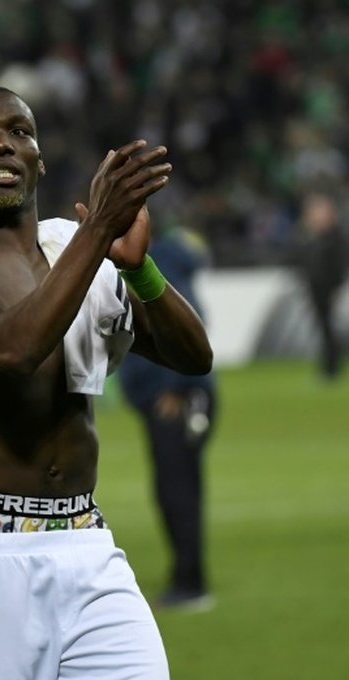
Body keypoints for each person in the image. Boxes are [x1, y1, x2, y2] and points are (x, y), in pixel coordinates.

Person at [0, 86, 213, 680]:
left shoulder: (76, 252)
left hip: (85, 542)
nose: (0, 143)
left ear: (38, 159)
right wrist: (97, 232)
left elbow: (192, 355)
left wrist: (135, 266)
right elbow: (15, 348)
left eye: (20, 131)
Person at [117, 226, 218, 611]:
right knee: (174, 489)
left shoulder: (156, 261)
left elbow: (189, 320)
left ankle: (191, 583)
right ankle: (186, 576)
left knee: (177, 492)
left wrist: (177, 387)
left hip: (178, 400)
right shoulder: (154, 257)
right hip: (169, 397)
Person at [291, 189, 347, 380]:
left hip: (327, 288)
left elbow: (338, 265)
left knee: (329, 328)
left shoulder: (335, 236)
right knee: (323, 328)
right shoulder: (311, 236)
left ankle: (332, 367)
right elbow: (301, 259)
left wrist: (335, 288)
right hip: (315, 288)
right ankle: (328, 366)